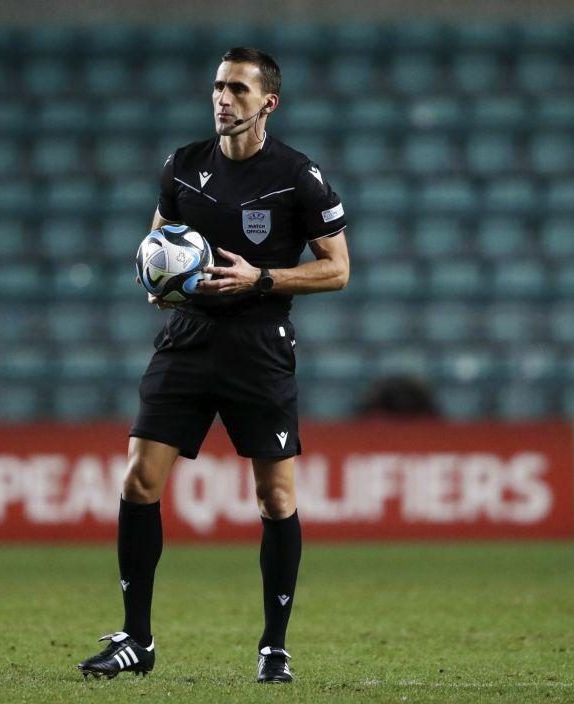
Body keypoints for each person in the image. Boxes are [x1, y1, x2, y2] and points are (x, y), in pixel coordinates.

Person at [77, 47, 350, 684]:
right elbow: (155, 244)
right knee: (139, 479)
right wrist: (156, 279)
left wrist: (263, 279)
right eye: (218, 88)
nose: (222, 99)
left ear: (267, 103)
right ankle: (136, 640)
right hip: (190, 340)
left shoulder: (298, 178)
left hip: (259, 346)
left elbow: (338, 269)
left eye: (237, 90)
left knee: (275, 495)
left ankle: (274, 647)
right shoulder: (182, 166)